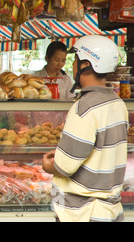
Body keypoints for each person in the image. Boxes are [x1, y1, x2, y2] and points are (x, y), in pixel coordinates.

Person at [42, 35, 128, 222]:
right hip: (110, 208)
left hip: (85, 212)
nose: (71, 66)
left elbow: (65, 166)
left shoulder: (84, 107)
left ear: (85, 65)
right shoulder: (118, 103)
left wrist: (50, 165)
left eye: (75, 60)